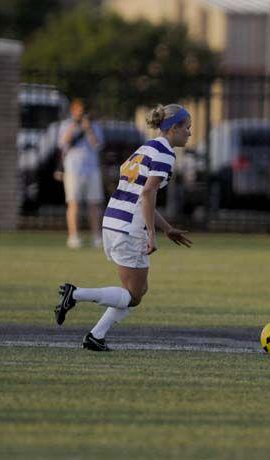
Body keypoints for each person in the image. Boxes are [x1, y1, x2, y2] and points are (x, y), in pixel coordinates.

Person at [54, 104, 193, 351]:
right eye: (187, 128)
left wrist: (166, 228)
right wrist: (151, 233)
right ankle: (74, 295)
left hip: (115, 221)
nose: (190, 133)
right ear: (173, 129)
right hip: (129, 227)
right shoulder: (165, 154)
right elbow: (148, 193)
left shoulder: (146, 148)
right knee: (133, 296)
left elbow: (140, 195)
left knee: (138, 291)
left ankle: (96, 336)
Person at [57, 99, 105, 249]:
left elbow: (98, 145)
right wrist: (74, 127)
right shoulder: (66, 125)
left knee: (94, 203)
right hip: (73, 168)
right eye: (78, 111)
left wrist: (88, 129)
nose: (81, 114)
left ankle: (97, 237)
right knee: (73, 203)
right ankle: (74, 236)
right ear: (73, 111)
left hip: (91, 168)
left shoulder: (95, 126)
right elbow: (62, 143)